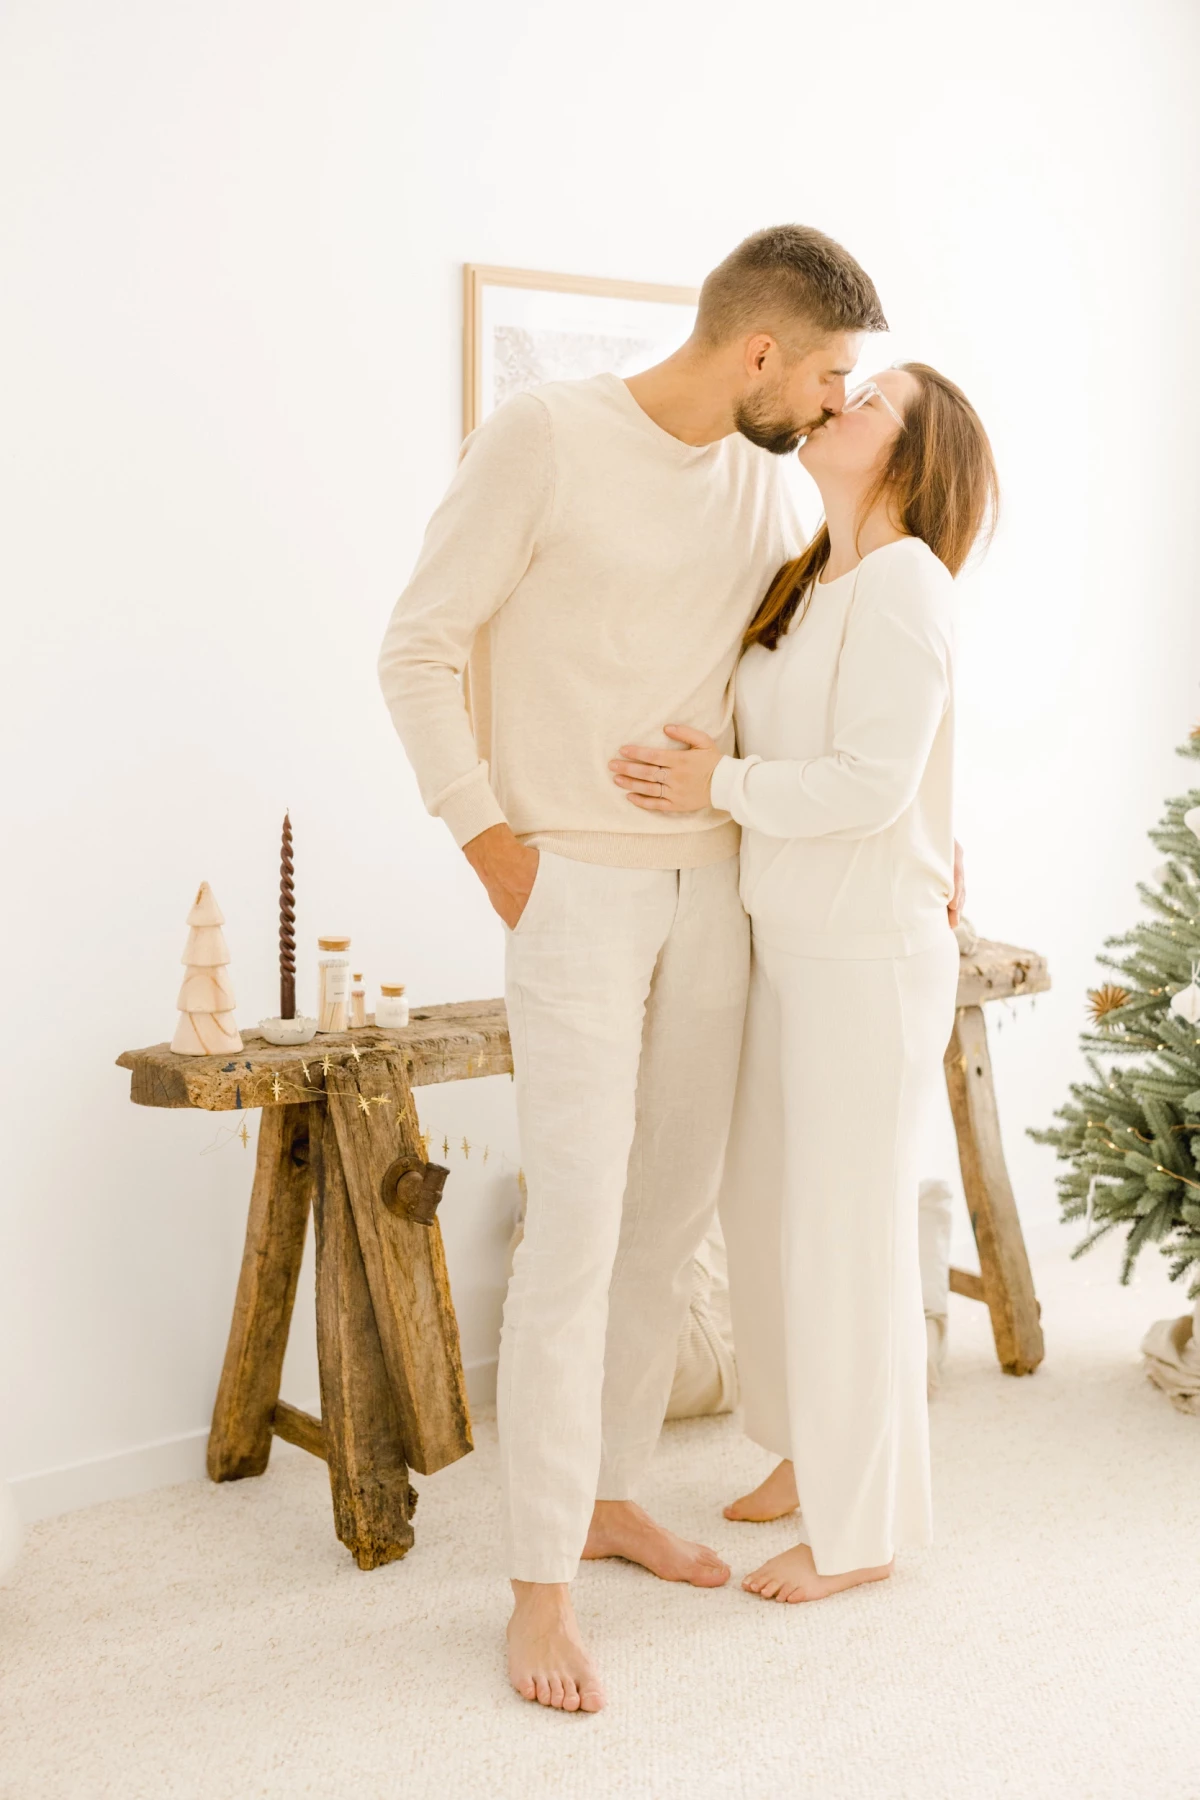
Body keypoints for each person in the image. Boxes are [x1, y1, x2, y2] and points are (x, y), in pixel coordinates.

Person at [378, 226, 888, 1711]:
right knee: (577, 1236)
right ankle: (537, 1589)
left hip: (713, 887)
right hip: (573, 888)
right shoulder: (542, 438)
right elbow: (417, 646)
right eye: (829, 376)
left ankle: (604, 1498)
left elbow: (800, 675)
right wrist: (492, 846)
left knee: (666, 1224)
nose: (830, 407)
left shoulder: (760, 481)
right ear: (760, 356)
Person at [609, 361, 996, 1604]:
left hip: (869, 958)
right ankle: (802, 1453)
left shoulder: (906, 583)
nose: (841, 403)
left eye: (873, 398)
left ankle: (863, 1527)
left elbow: (870, 786)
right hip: (793, 942)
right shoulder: (811, 575)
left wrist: (715, 787)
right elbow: (836, 755)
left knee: (848, 1237)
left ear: (916, 455)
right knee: (771, 1212)